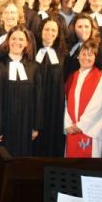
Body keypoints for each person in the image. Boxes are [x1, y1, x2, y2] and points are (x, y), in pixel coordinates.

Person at [0, 26, 42, 157]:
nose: (17, 42)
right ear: (8, 41)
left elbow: (37, 97)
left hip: (25, 123)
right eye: (13, 38)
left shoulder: (34, 67)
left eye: (21, 39)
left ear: (27, 43)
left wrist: (36, 126)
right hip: (4, 122)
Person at [64, 40, 102, 158]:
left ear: (95, 57)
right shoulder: (72, 77)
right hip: (72, 130)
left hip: (90, 132)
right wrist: (68, 124)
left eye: (90, 54)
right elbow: (66, 103)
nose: (86, 58)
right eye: (83, 54)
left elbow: (99, 106)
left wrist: (81, 125)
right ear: (78, 56)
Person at [33, 17, 67, 157]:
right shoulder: (33, 52)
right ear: (41, 31)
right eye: (47, 29)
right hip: (36, 100)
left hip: (55, 102)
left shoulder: (64, 54)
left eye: (54, 30)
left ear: (58, 33)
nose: (50, 33)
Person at [64, 13, 101, 80]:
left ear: (92, 28)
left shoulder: (99, 48)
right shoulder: (71, 46)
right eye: (80, 27)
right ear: (74, 28)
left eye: (86, 26)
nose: (83, 30)